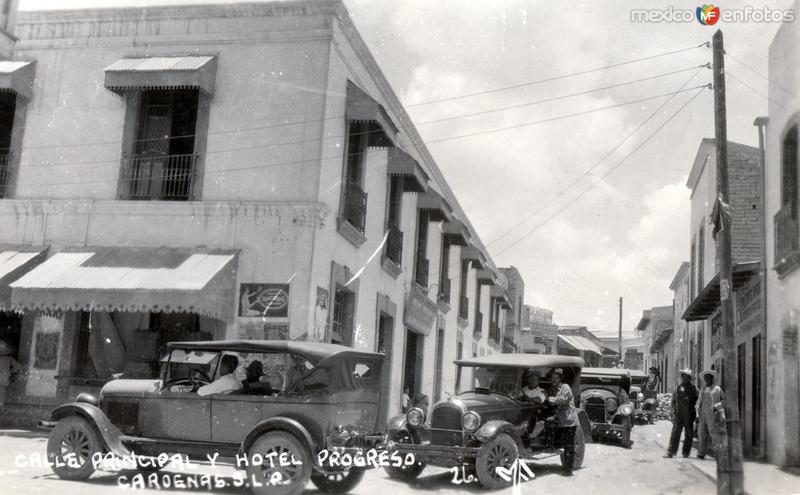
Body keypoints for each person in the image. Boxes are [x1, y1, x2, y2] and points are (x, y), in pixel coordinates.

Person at [548, 368, 578, 476]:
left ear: (560, 379)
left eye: (556, 378)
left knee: (569, 446)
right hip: (562, 421)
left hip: (570, 421)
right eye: (552, 378)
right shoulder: (554, 389)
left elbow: (564, 399)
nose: (553, 380)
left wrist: (550, 399)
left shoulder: (566, 387)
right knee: (563, 444)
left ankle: (568, 470)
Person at [664, 368, 698, 458]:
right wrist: (673, 411)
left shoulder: (693, 389)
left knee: (688, 434)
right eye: (683, 377)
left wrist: (695, 415)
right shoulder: (678, 388)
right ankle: (671, 451)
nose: (684, 378)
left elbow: (696, 402)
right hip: (679, 414)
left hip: (689, 414)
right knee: (675, 432)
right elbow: (674, 400)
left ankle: (685, 453)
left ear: (689, 378)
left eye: (686, 377)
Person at [696, 370, 725, 460]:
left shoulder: (717, 389)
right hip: (702, 414)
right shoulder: (703, 389)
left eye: (709, 377)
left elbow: (725, 400)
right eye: (705, 378)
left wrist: (717, 406)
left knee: (714, 433)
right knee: (701, 433)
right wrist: (697, 414)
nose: (707, 379)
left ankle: (719, 453)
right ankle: (701, 453)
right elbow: (698, 402)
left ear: (712, 378)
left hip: (712, 414)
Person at [0, 341, 21, 406]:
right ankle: (1, 403)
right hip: (4, 376)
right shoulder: (9, 358)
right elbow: (18, 366)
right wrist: (10, 371)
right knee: (1, 390)